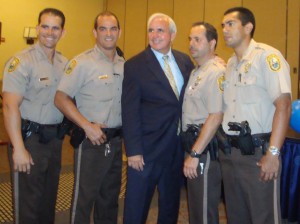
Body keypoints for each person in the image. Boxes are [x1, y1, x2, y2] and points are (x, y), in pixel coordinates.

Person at [220, 7, 291, 224]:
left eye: (230, 24)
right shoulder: (230, 64)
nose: (224, 29)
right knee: (236, 216)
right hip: (231, 154)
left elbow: (284, 105)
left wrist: (273, 153)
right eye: (223, 25)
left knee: (263, 217)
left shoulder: (267, 57)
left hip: (258, 156)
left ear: (248, 27)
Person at [121, 13, 194, 223]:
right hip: (146, 152)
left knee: (170, 205)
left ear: (172, 34)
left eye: (160, 30)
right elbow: (130, 110)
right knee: (137, 207)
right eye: (151, 30)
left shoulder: (184, 61)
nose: (154, 35)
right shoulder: (135, 65)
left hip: (175, 149)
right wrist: (133, 150)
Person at [54, 11, 124, 224]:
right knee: (84, 200)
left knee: (110, 200)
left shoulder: (124, 64)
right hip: (91, 141)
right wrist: (86, 126)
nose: (108, 33)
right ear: (95, 32)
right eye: (103, 28)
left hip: (115, 141)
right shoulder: (81, 63)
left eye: (113, 28)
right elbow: (60, 98)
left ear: (119, 32)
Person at [2, 8, 67, 224]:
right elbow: (10, 106)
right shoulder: (21, 62)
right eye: (45, 26)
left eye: (55, 27)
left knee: (48, 202)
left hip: (55, 141)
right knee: (28, 206)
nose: (50, 32)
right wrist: (18, 148)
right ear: (38, 28)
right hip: (29, 140)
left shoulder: (64, 64)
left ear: (62, 32)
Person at [182, 22, 224, 224]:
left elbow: (216, 116)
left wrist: (195, 153)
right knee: (197, 207)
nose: (191, 43)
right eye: (190, 39)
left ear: (212, 43)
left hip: (204, 148)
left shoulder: (216, 72)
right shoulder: (197, 71)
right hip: (193, 144)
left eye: (197, 39)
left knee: (204, 209)